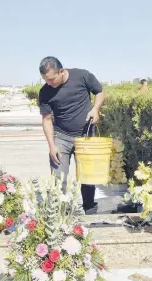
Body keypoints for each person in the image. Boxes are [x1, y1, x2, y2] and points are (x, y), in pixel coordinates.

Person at [38, 56, 105, 214]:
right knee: (59, 178)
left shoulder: (82, 76)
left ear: (61, 71)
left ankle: (89, 208)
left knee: (88, 176)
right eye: (45, 80)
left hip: (86, 136)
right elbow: (46, 120)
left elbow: (99, 92)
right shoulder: (45, 92)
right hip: (62, 137)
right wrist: (52, 146)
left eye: (52, 79)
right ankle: (63, 212)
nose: (49, 83)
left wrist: (95, 108)